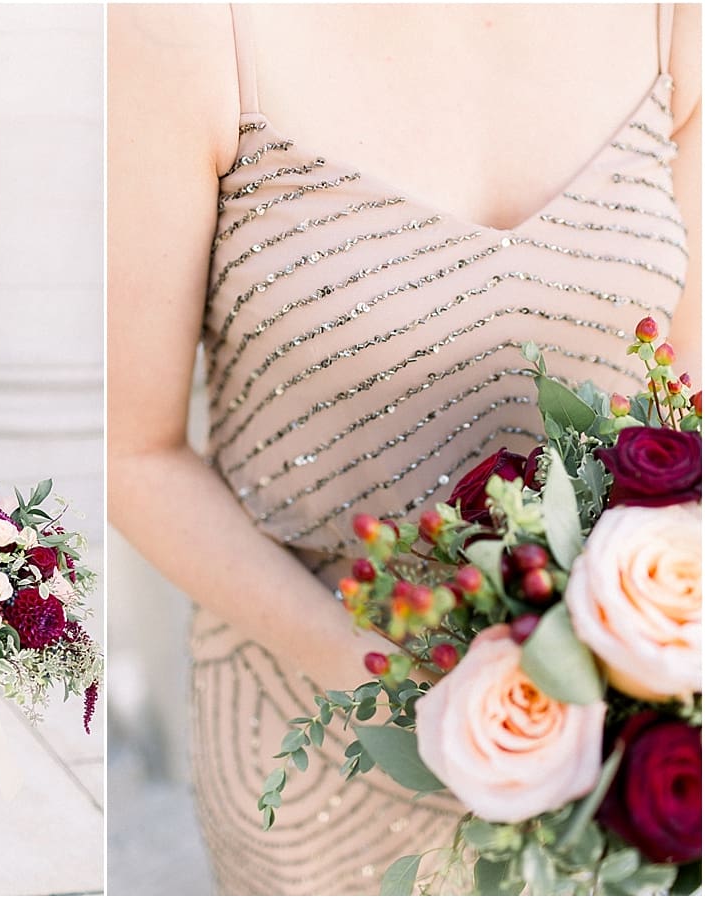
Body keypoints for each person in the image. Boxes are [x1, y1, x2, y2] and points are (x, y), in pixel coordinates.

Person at [108, 4, 700, 894]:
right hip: (320, 739)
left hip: (613, 751)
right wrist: (419, 693)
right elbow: (132, 452)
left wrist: (632, 673)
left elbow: (680, 413)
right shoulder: (187, 28)